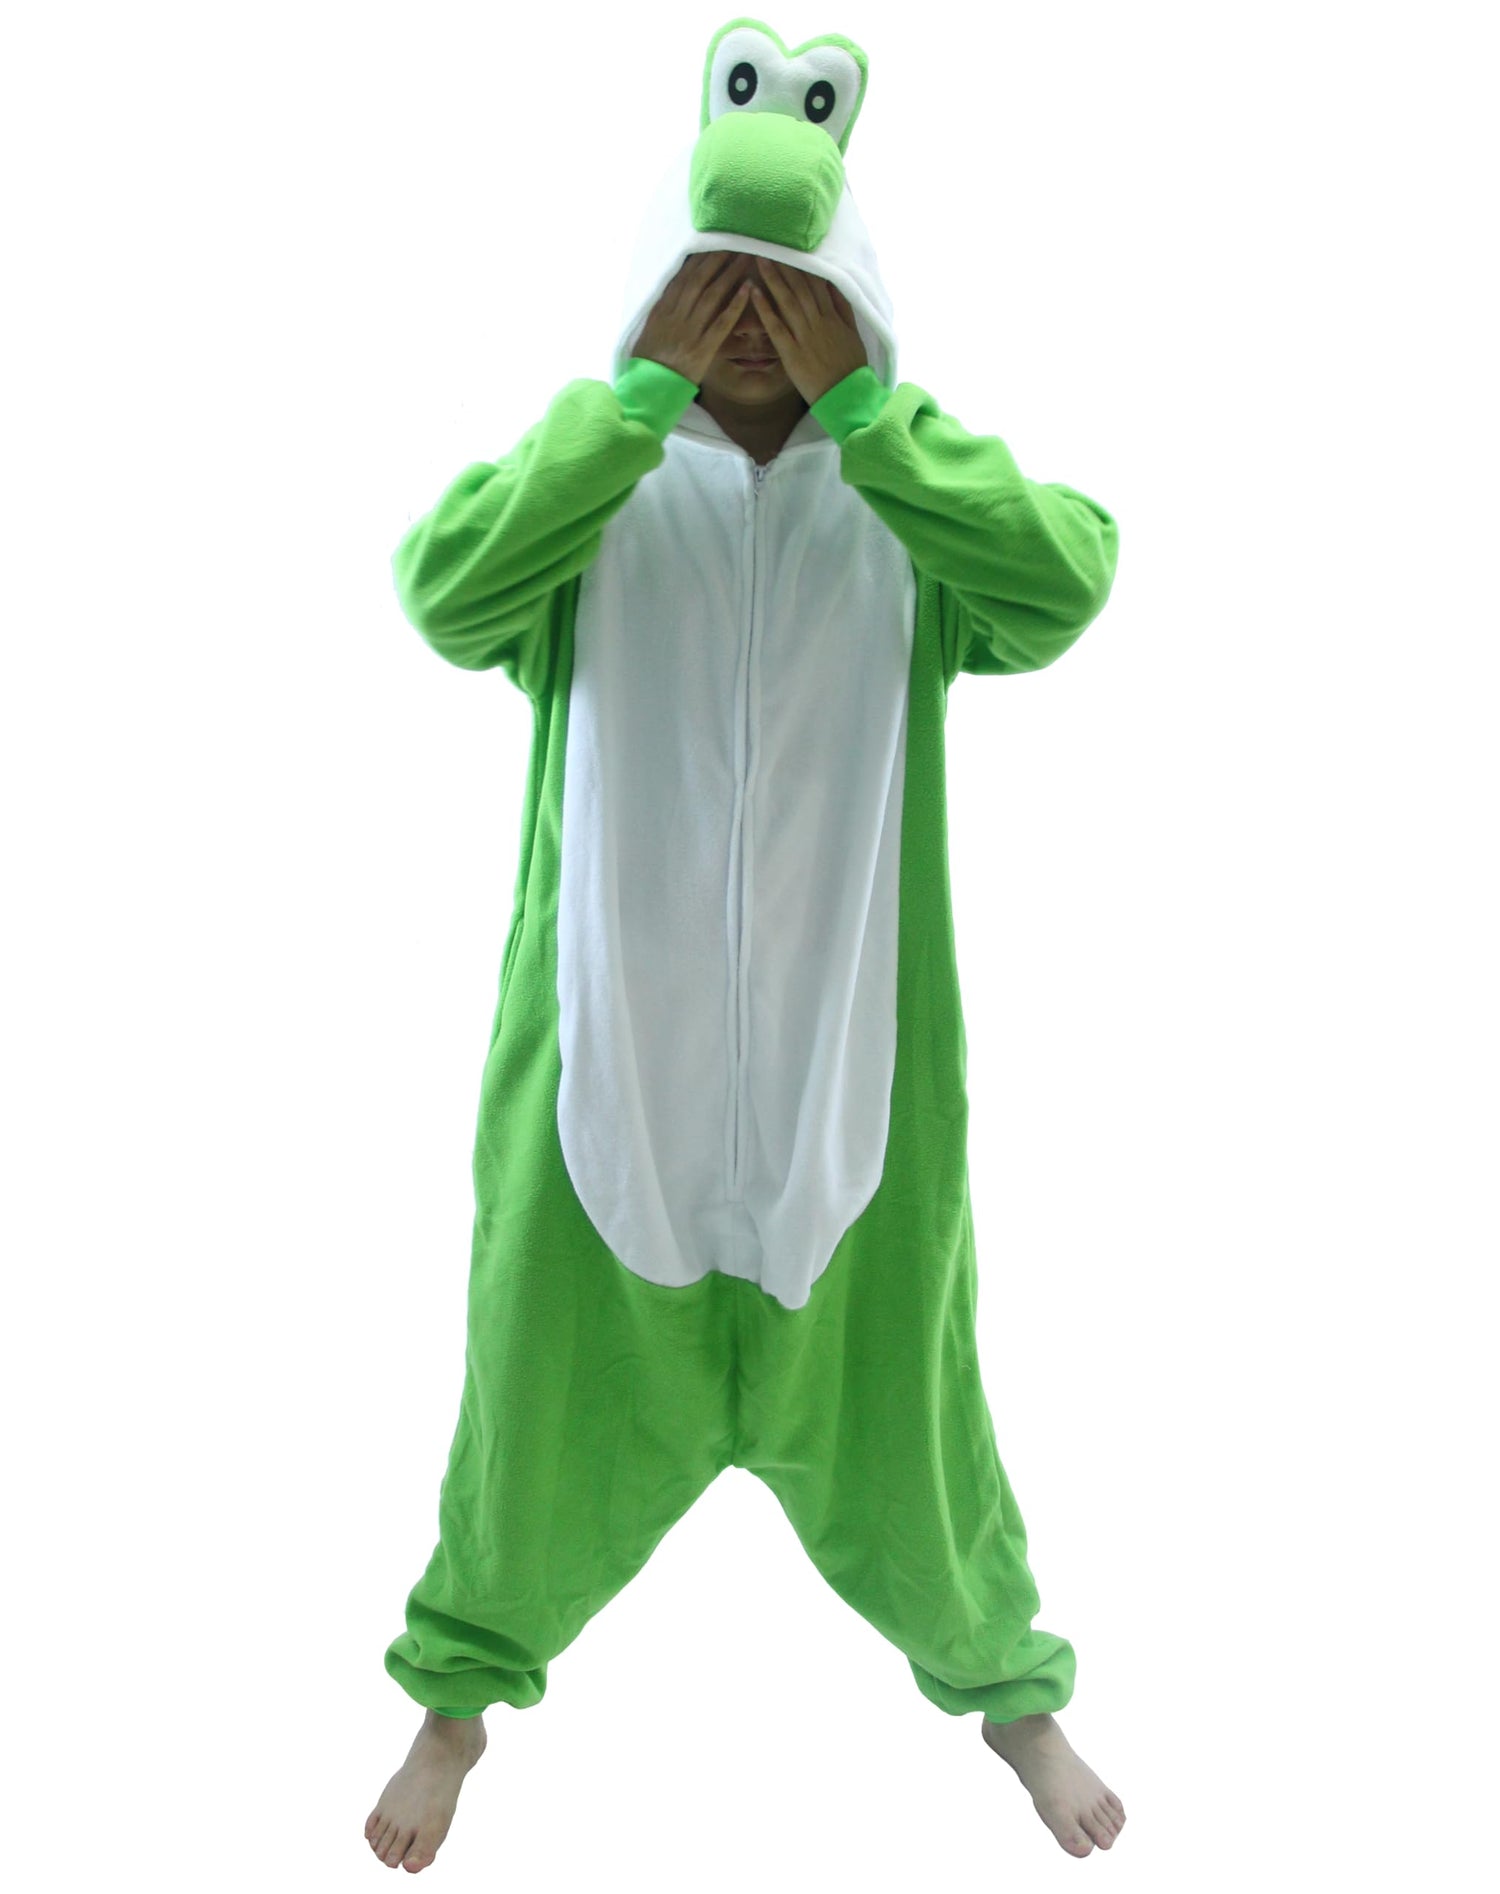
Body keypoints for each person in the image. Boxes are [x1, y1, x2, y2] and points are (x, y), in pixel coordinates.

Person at [365, 20, 1124, 1874]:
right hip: (606, 1070)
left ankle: (1009, 1691)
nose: (760, 326)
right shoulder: (599, 494)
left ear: (857, 301)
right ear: (660, 292)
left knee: (914, 1408)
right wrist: (628, 408)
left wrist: (879, 423)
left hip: (842, 1083)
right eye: (721, 287)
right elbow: (443, 591)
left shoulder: (905, 510)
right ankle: (456, 1697)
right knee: (530, 1383)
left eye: (796, 290)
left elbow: (1068, 577)